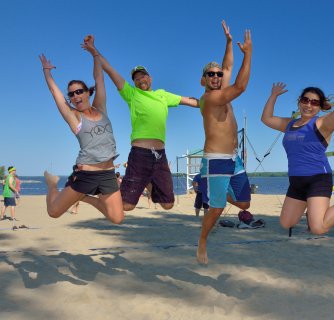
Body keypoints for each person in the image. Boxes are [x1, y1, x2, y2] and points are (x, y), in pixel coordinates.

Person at [82, 35, 199, 213]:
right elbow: (110, 70)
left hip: (160, 156)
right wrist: (93, 51)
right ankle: (98, 189)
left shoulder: (163, 95)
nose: (140, 79)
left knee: (168, 205)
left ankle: (150, 181)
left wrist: (211, 101)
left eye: (143, 75)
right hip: (140, 154)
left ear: (150, 78)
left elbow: (190, 101)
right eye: (136, 78)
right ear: (134, 83)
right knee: (127, 206)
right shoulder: (132, 94)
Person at [261, 64, 334, 235]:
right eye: (305, 100)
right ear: (299, 101)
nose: (308, 105)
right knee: (286, 222)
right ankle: (311, 204)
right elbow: (266, 119)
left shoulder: (322, 123)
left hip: (318, 178)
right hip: (296, 180)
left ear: (319, 107)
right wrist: (273, 95)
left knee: (318, 228)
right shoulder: (289, 124)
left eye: (314, 102)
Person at [39, 42, 124, 224]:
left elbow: (99, 78)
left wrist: (94, 53)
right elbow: (55, 93)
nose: (76, 96)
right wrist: (47, 71)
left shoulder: (100, 108)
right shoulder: (74, 117)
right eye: (71, 94)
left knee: (117, 218)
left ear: (87, 93)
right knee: (53, 212)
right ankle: (52, 183)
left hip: (108, 172)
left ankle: (84, 197)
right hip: (86, 174)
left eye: (79, 91)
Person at [197, 21, 252, 264]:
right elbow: (240, 85)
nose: (217, 76)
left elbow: (228, 65)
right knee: (217, 210)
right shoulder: (210, 98)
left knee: (244, 202)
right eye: (212, 74)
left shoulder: (220, 86)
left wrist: (229, 43)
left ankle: (209, 189)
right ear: (203, 80)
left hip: (233, 158)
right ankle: (202, 241)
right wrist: (248, 54)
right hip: (216, 160)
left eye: (219, 74)